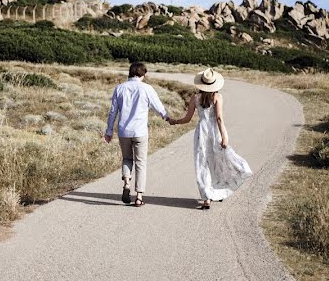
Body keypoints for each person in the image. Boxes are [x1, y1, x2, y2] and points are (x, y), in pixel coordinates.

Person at [168, 68, 252, 209]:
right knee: (218, 161)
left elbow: (187, 119)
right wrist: (224, 136)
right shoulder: (218, 97)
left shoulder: (195, 98)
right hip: (214, 132)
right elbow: (219, 118)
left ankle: (207, 197)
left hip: (202, 132)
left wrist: (174, 121)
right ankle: (216, 192)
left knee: (202, 163)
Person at [104, 62, 170, 207]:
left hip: (123, 132)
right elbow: (157, 105)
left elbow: (113, 111)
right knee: (141, 163)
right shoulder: (147, 88)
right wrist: (166, 117)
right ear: (143, 74)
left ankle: (126, 184)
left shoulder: (119, 88)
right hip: (140, 131)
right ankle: (139, 196)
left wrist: (109, 131)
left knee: (127, 158)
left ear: (130, 72)